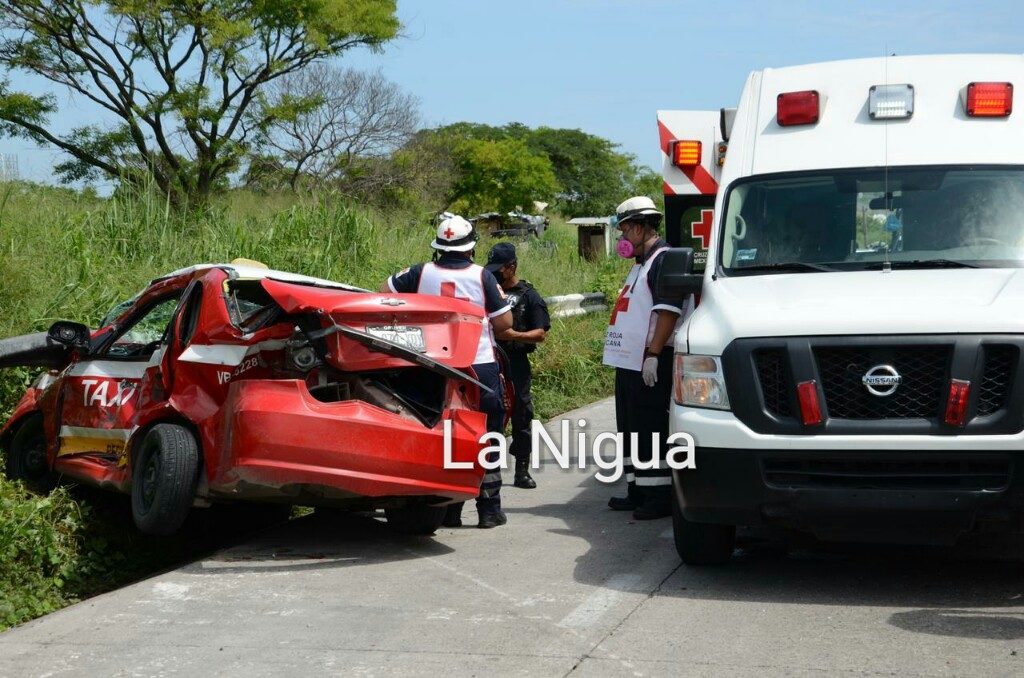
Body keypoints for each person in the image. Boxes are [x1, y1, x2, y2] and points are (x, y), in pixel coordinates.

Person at [384, 215, 513, 528]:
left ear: (438, 247)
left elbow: (385, 294)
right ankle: (489, 509)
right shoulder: (483, 276)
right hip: (477, 365)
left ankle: (449, 509)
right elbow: (504, 323)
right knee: (487, 432)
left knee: (439, 431)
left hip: (430, 364)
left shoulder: (417, 273)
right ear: (470, 248)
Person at [602, 196, 687, 520]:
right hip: (629, 361)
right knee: (631, 427)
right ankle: (637, 489)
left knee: (650, 428)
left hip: (650, 360)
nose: (622, 238)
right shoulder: (642, 264)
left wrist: (653, 355)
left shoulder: (663, 260)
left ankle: (658, 496)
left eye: (624, 231)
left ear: (638, 228)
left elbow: (668, 311)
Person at [485, 242, 551, 489]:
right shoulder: (487, 292)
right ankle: (486, 468)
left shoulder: (529, 295)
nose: (495, 274)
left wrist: (512, 335)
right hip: (489, 360)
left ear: (512, 267)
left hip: (516, 362)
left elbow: (540, 333)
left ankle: (522, 469)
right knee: (487, 412)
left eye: (499, 269)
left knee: (522, 413)